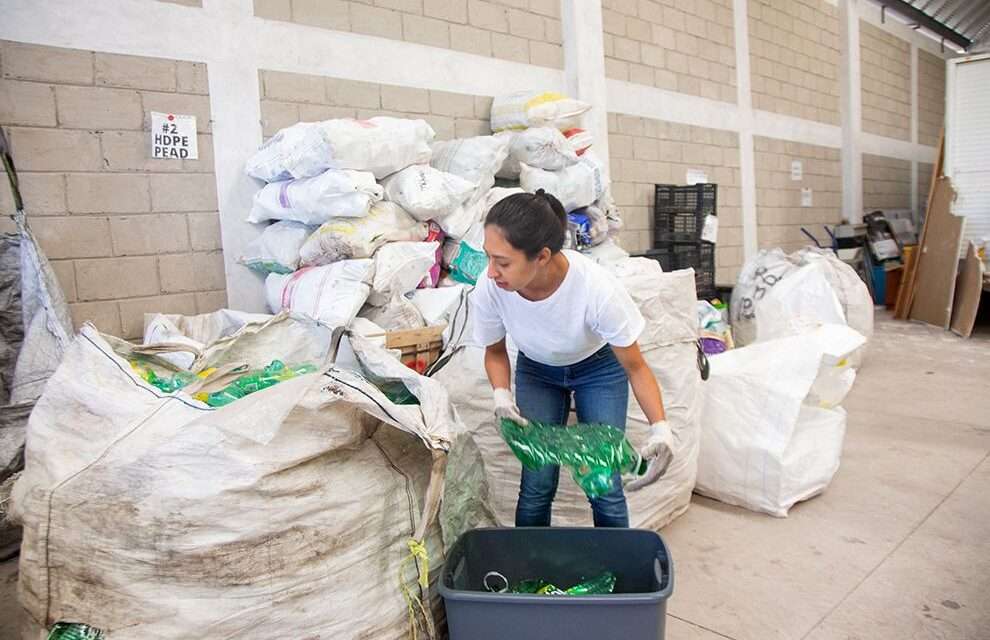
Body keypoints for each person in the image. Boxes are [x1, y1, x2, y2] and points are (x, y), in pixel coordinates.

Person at [470, 189, 674, 528]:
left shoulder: (595, 290)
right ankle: (531, 571)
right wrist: (501, 395)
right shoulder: (491, 288)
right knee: (536, 480)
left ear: (542, 257)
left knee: (604, 481)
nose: (492, 272)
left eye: (503, 262)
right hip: (537, 371)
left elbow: (636, 367)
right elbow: (494, 351)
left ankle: (617, 572)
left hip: (598, 369)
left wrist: (661, 428)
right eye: (489, 257)